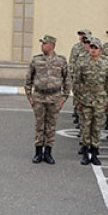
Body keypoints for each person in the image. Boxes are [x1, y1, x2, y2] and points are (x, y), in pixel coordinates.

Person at [24, 34, 69, 164]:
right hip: (39, 97)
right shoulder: (36, 60)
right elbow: (28, 79)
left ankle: (48, 152)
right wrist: (29, 96)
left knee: (51, 126)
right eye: (42, 43)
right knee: (39, 125)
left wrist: (64, 98)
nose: (42, 45)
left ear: (52, 46)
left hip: (54, 97)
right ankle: (38, 152)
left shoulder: (61, 61)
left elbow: (67, 79)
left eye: (44, 43)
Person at [72, 36, 108, 165]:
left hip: (100, 100)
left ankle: (94, 152)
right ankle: (85, 151)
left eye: (96, 48)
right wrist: (79, 101)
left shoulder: (106, 64)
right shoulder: (83, 63)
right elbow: (77, 83)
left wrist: (107, 102)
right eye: (92, 48)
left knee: (97, 127)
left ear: (100, 50)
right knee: (86, 126)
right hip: (86, 99)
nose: (93, 50)